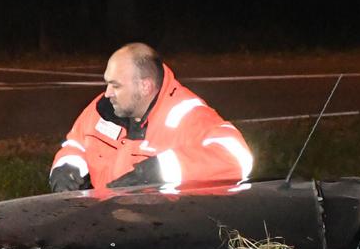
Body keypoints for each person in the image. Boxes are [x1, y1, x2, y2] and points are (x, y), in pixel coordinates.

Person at [49, 43, 252, 192]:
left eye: (116, 85)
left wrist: (156, 171)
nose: (108, 92)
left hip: (159, 234)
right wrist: (66, 167)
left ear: (144, 86)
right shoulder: (104, 107)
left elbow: (237, 157)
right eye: (107, 83)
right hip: (105, 225)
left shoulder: (184, 114)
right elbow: (76, 143)